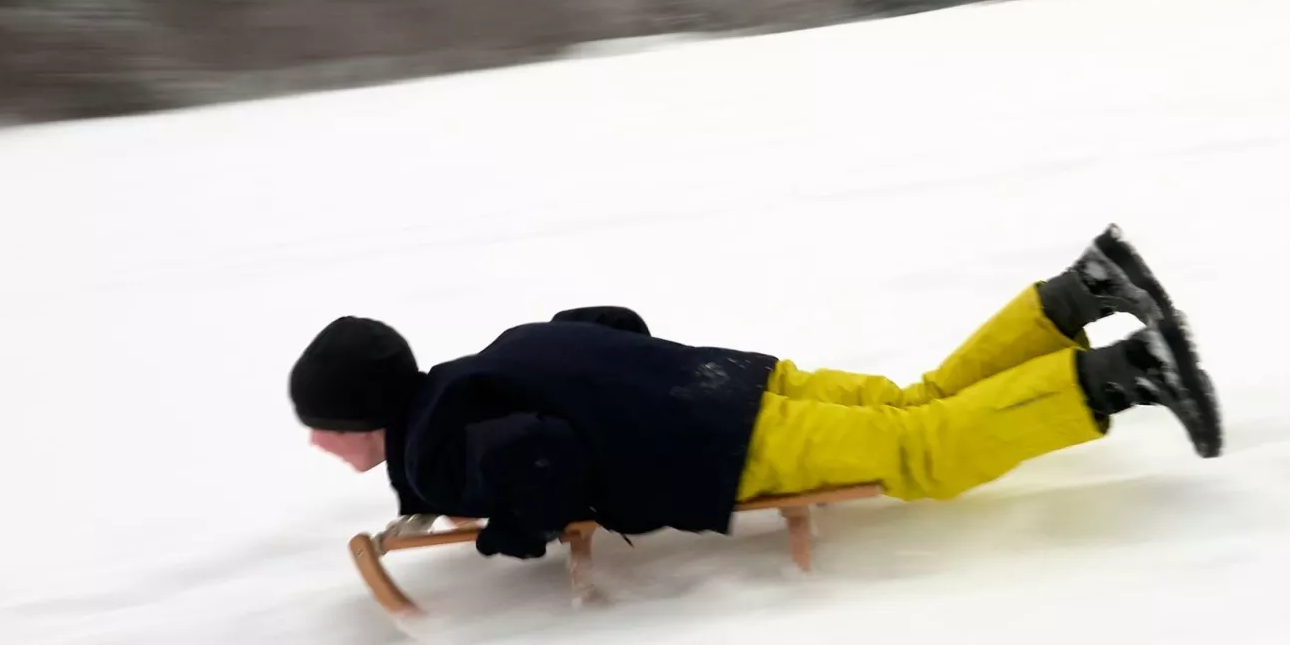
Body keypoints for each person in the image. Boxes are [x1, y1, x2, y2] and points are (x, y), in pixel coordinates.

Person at [289, 226, 1221, 560]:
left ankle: (1131, 371)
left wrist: (515, 529)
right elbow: (608, 319)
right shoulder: (480, 362)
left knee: (924, 453)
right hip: (734, 377)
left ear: (363, 416)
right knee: (920, 399)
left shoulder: (435, 452)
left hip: (721, 435)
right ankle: (1080, 292)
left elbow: (548, 459)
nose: (321, 447)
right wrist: (632, 388)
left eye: (325, 430)